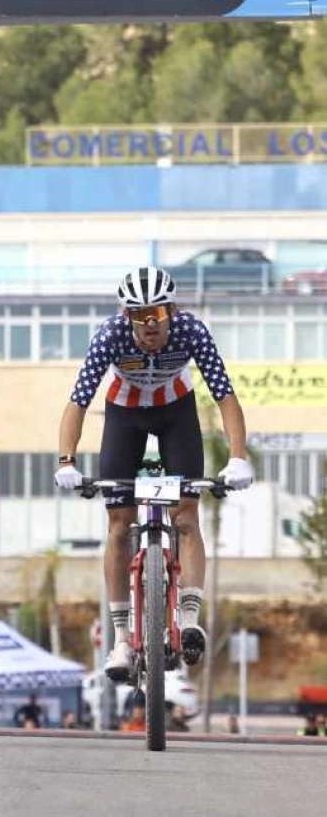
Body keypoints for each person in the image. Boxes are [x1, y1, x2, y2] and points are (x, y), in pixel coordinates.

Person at [54, 267, 253, 681]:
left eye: (157, 314)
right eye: (138, 315)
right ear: (125, 315)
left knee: (186, 517)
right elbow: (78, 402)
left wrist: (237, 458)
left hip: (175, 413)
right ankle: (122, 639)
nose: (148, 325)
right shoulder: (110, 336)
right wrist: (66, 461)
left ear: (172, 312)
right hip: (123, 415)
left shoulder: (191, 331)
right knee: (118, 523)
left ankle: (189, 618)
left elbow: (224, 395)